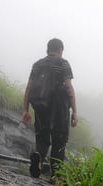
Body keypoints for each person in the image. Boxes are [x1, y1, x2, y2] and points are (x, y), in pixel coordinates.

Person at [22, 38, 78, 177]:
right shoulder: (63, 63)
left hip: (40, 105)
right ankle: (56, 176)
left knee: (42, 138)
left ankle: (39, 160)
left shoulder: (37, 64)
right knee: (59, 140)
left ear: (48, 49)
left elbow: (29, 88)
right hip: (59, 107)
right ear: (60, 50)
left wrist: (25, 110)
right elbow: (69, 88)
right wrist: (75, 112)